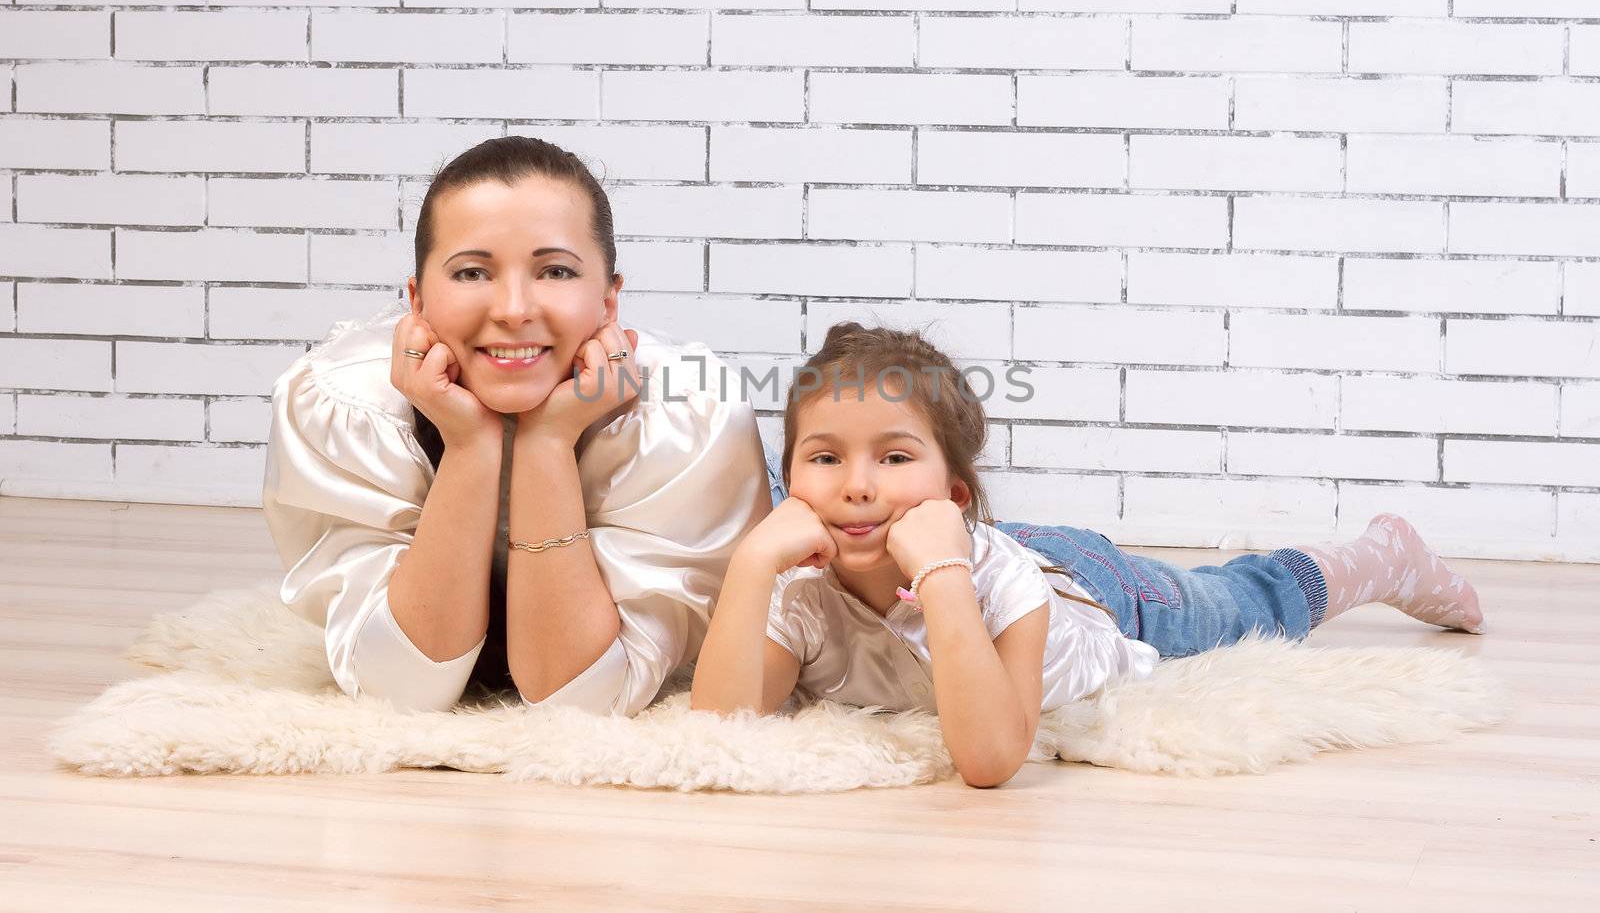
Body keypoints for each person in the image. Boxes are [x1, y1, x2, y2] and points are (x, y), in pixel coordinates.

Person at [689, 322, 1487, 788]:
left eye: (894, 458)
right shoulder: (799, 590)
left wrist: (941, 575)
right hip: (986, 548)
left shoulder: (1005, 583)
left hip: (1093, 587)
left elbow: (991, 756)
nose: (856, 486)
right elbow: (725, 721)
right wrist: (754, 563)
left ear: (955, 495)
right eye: (825, 458)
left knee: (1244, 604)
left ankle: (1387, 555)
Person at [262, 136, 771, 715]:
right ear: (418, 301)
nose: (512, 309)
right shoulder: (343, 401)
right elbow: (400, 689)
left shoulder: (688, 416)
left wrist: (546, 441)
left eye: (555, 270)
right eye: (472, 272)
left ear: (608, 302)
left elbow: (581, 698)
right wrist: (470, 443)